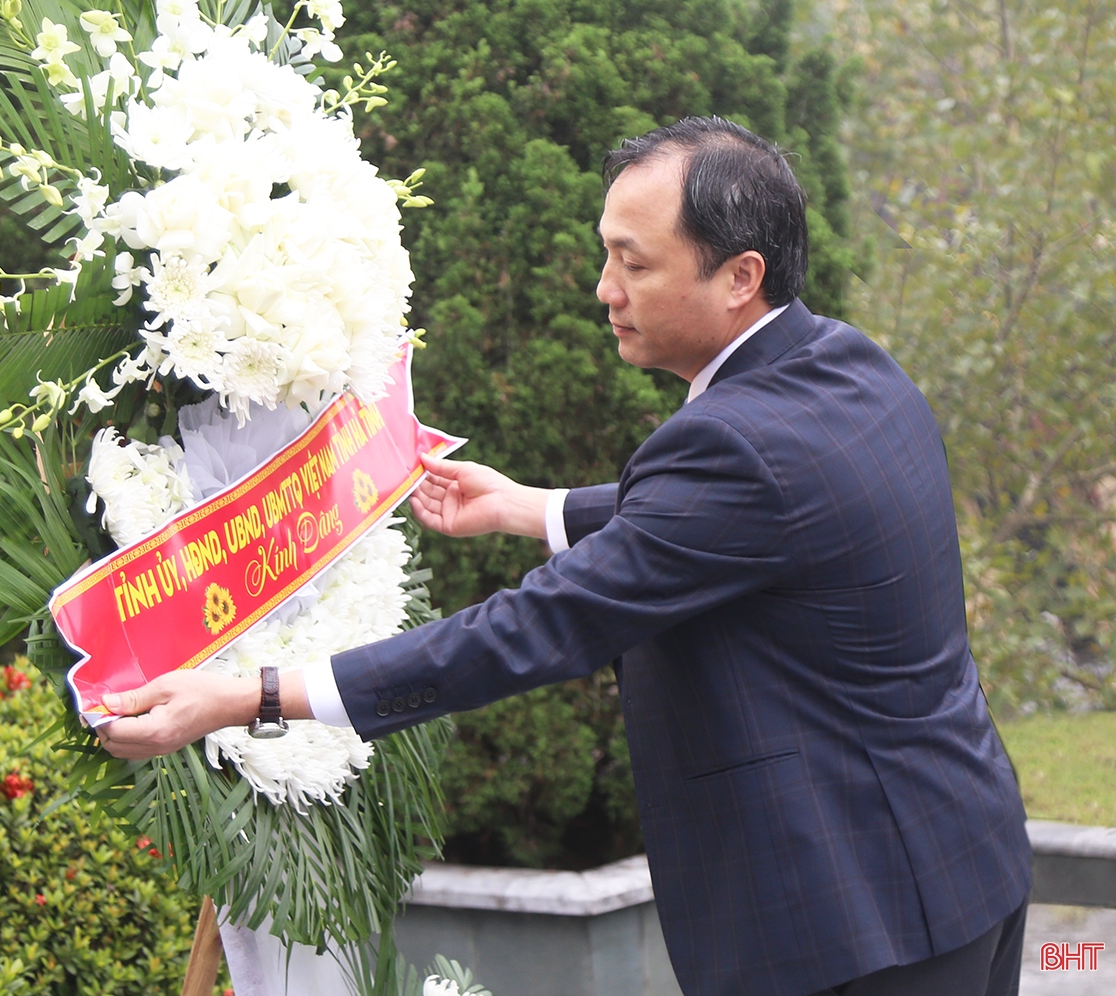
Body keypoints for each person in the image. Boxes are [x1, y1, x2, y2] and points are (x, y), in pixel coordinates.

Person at [91, 117, 1033, 996]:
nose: (604, 289)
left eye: (633, 262)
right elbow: (760, 516)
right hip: (963, 862)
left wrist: (255, 694)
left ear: (740, 275)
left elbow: (536, 628)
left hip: (850, 924)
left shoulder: (733, 448)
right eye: (604, 253)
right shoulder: (846, 365)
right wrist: (530, 509)